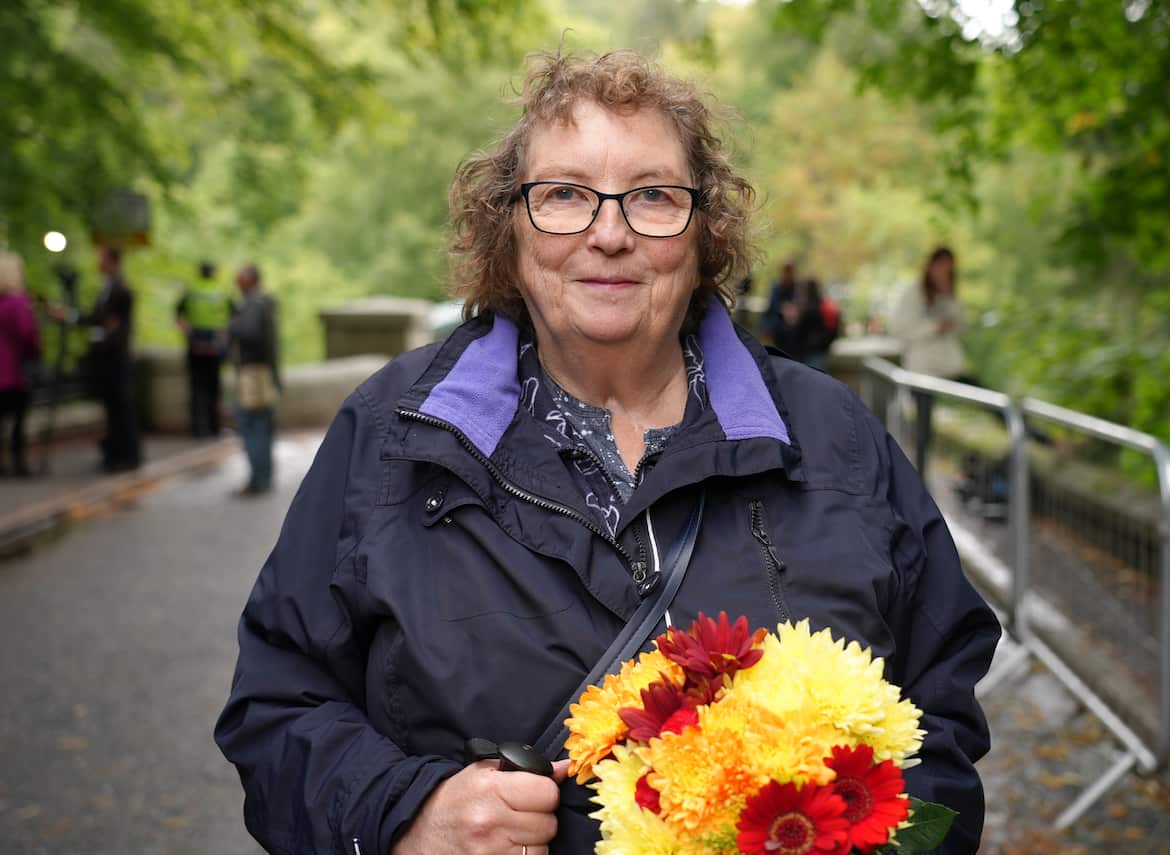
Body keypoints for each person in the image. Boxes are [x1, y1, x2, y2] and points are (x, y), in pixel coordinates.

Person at [215, 51, 999, 855]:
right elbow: (277, 705)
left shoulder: (831, 434)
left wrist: (877, 838)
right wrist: (402, 814)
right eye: (565, 195)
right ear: (508, 226)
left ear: (705, 230)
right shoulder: (392, 434)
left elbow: (939, 718)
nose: (610, 232)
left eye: (654, 196)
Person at [890, 246, 973, 478]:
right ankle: (919, 481)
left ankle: (1042, 439)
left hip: (948, 368)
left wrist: (949, 299)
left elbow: (962, 326)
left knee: (987, 396)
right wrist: (934, 327)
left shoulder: (948, 295)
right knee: (923, 429)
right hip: (922, 372)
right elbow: (899, 330)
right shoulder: (913, 294)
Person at [87, 245, 141, 472]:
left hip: (116, 357)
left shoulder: (121, 289)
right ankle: (116, 453)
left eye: (102, 258)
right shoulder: (108, 288)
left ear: (112, 261)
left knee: (121, 405)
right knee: (112, 406)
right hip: (107, 357)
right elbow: (100, 319)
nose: (98, 263)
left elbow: (112, 323)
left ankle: (127, 455)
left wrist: (109, 328)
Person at [227, 263, 279, 495]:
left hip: (253, 373)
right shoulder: (261, 303)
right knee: (262, 424)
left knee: (252, 424)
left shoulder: (254, 304)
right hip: (262, 372)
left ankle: (259, 478)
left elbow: (250, 333)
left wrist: (232, 324)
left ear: (251, 279)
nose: (237, 279)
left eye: (241, 275)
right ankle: (263, 476)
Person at [175, 260, 234, 438]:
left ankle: (198, 429)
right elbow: (235, 317)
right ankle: (215, 428)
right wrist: (225, 338)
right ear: (213, 273)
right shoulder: (221, 291)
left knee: (196, 388)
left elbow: (178, 316)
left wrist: (189, 334)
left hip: (195, 347)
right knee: (214, 388)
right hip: (215, 347)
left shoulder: (191, 291)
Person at [0, 252, 41, 477]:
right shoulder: (18, 301)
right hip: (13, 370)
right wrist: (35, 353)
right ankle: (18, 463)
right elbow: (27, 334)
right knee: (17, 420)